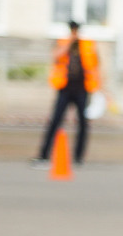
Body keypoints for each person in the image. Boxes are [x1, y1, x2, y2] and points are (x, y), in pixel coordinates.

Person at [38, 20, 99, 164]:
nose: (74, 32)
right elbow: (56, 56)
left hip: (82, 89)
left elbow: (96, 66)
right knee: (55, 121)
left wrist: (100, 89)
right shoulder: (63, 42)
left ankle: (79, 156)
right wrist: (70, 42)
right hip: (65, 88)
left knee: (83, 123)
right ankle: (44, 154)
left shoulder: (88, 44)